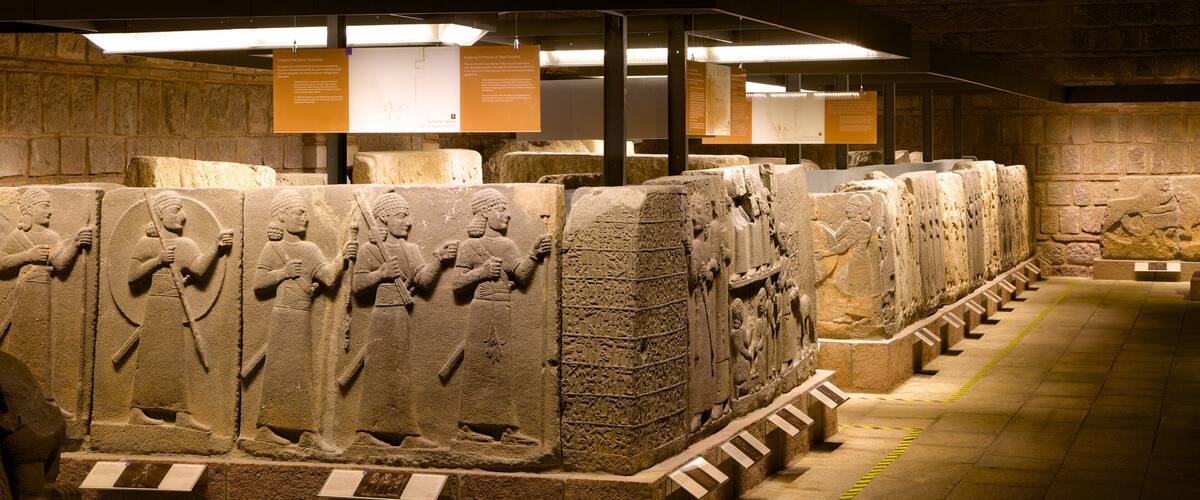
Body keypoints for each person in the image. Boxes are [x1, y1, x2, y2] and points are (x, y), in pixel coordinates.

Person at [253, 190, 356, 451]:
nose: (305, 218)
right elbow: (259, 283)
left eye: (305, 213)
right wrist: (283, 272)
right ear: (282, 216)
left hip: (301, 317)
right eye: (299, 212)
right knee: (278, 372)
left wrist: (342, 256)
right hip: (282, 316)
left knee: (302, 373)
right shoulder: (272, 248)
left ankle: (305, 432)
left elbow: (329, 278)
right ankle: (266, 429)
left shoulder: (310, 250)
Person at [351, 192, 455, 449]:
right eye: (402, 216)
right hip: (382, 316)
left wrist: (438, 260)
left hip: (402, 318)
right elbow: (358, 286)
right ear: (385, 218)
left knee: (401, 375)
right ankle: (366, 433)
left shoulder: (411, 250)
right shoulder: (370, 249)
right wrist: (381, 274)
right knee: (379, 373)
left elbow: (423, 282)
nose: (408, 222)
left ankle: (406, 431)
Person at [126, 191, 232, 431]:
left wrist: (215, 248)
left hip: (175, 306)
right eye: (176, 210)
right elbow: (132, 277)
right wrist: (158, 260)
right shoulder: (147, 244)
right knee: (151, 358)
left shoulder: (186, 245)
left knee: (175, 360)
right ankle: (137, 410)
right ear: (160, 215)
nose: (183, 216)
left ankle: (180, 412)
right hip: (156, 305)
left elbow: (199, 270)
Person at [452, 188, 550, 445]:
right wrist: (482, 272)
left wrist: (534, 254)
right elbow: (457, 284)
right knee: (478, 367)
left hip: (503, 309)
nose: (507, 215)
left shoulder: (508, 245)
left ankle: (505, 427)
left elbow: (522, 275)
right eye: (501, 209)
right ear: (485, 213)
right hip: (481, 309)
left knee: (501, 369)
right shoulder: (470, 246)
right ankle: (467, 428)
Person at [0, 189, 92, 415]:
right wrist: (27, 255)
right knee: (22, 347)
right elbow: (2, 263)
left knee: (42, 349)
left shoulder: (51, 237)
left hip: (44, 296)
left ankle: (46, 400)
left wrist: (76, 243)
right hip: (24, 297)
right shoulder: (17, 237)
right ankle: (15, 401)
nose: (50, 211)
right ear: (30, 210)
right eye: (45, 206)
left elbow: (59, 264)